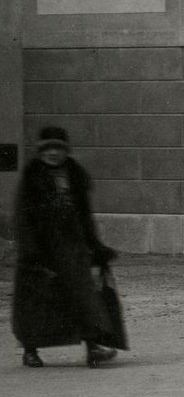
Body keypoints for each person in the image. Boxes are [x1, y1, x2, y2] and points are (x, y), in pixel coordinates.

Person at [11, 127, 118, 368]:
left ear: (65, 150)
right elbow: (23, 217)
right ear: (40, 152)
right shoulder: (32, 176)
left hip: (72, 247)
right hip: (41, 249)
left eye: (58, 148)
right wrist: (31, 253)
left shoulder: (74, 174)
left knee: (84, 296)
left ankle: (93, 347)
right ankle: (30, 351)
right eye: (48, 148)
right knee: (37, 302)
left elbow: (84, 216)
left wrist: (95, 246)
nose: (53, 153)